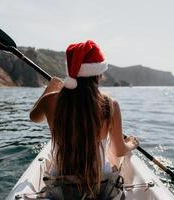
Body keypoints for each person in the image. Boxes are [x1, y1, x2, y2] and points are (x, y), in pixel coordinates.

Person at [30, 40, 139, 199]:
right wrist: (132, 143)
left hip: (60, 184)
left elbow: (34, 117)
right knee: (114, 161)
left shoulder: (51, 100)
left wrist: (50, 89)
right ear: (98, 73)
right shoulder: (110, 104)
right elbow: (118, 150)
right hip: (100, 184)